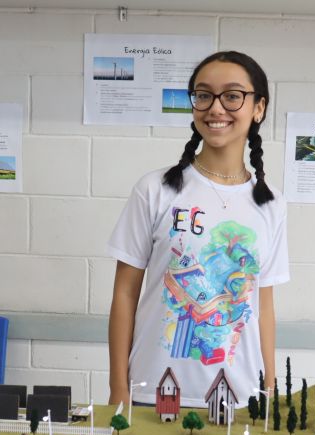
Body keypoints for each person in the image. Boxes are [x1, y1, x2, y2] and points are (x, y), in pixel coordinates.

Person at [107, 51, 289, 409]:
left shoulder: (271, 204)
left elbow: (264, 307)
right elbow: (124, 294)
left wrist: (269, 389)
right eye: (204, 95)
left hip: (241, 398)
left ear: (258, 108)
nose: (216, 108)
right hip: (152, 392)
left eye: (232, 96)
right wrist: (118, 389)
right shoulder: (155, 189)